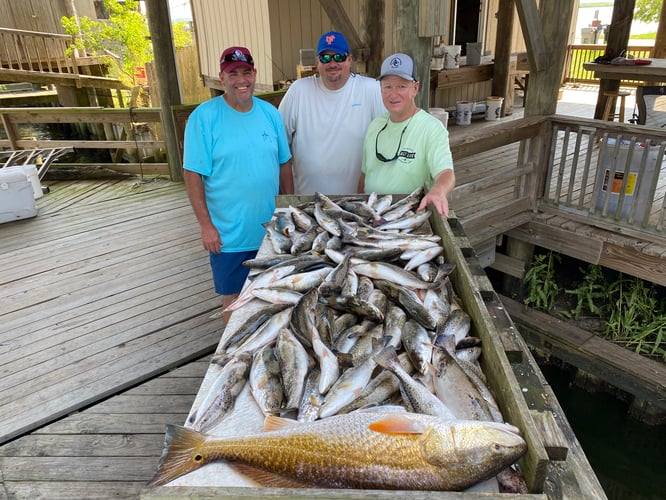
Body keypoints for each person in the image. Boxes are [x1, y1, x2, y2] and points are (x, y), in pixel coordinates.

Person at [183, 46, 293, 322]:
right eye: (233, 74)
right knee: (233, 301)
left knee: (275, 298)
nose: (240, 79)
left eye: (246, 72)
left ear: (254, 74)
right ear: (222, 78)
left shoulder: (270, 113)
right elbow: (192, 174)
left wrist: (290, 211)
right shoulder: (203, 117)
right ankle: (232, 359)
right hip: (229, 235)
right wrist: (205, 226)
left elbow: (284, 164)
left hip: (270, 231)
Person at [279, 31, 386, 194]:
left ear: (349, 59)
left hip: (356, 205)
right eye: (325, 58)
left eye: (338, 57)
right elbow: (278, 142)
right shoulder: (298, 90)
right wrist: (286, 196)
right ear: (318, 62)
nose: (332, 63)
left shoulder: (371, 89)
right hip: (308, 205)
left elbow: (393, 135)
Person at [358, 53, 455, 217]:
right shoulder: (375, 125)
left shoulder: (431, 128)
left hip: (409, 215)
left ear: (415, 88)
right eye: (387, 86)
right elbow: (365, 175)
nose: (393, 94)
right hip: (370, 215)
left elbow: (446, 173)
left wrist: (438, 191)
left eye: (401, 86)